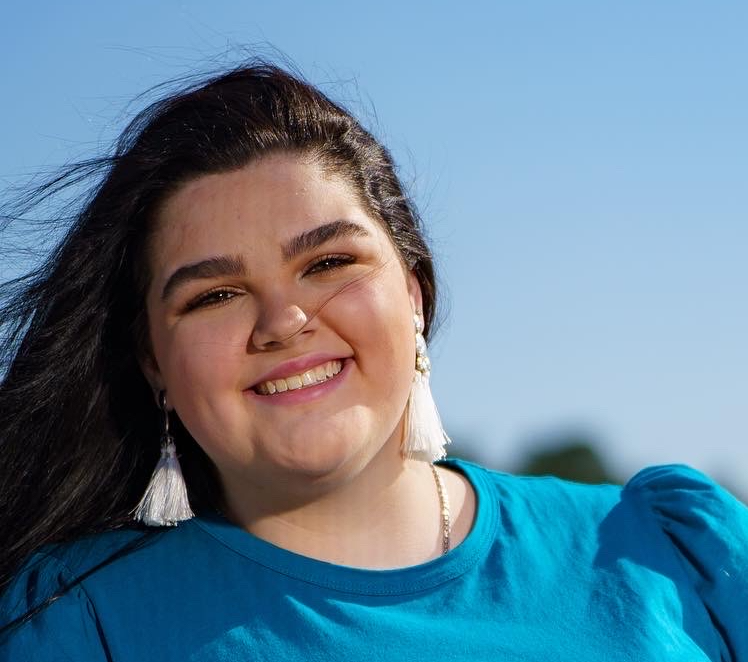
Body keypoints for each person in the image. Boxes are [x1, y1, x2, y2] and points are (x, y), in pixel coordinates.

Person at [0, 61, 746, 662]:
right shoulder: (79, 620)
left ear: (413, 294)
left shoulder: (670, 549)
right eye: (216, 295)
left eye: (328, 263)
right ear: (154, 362)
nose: (283, 322)